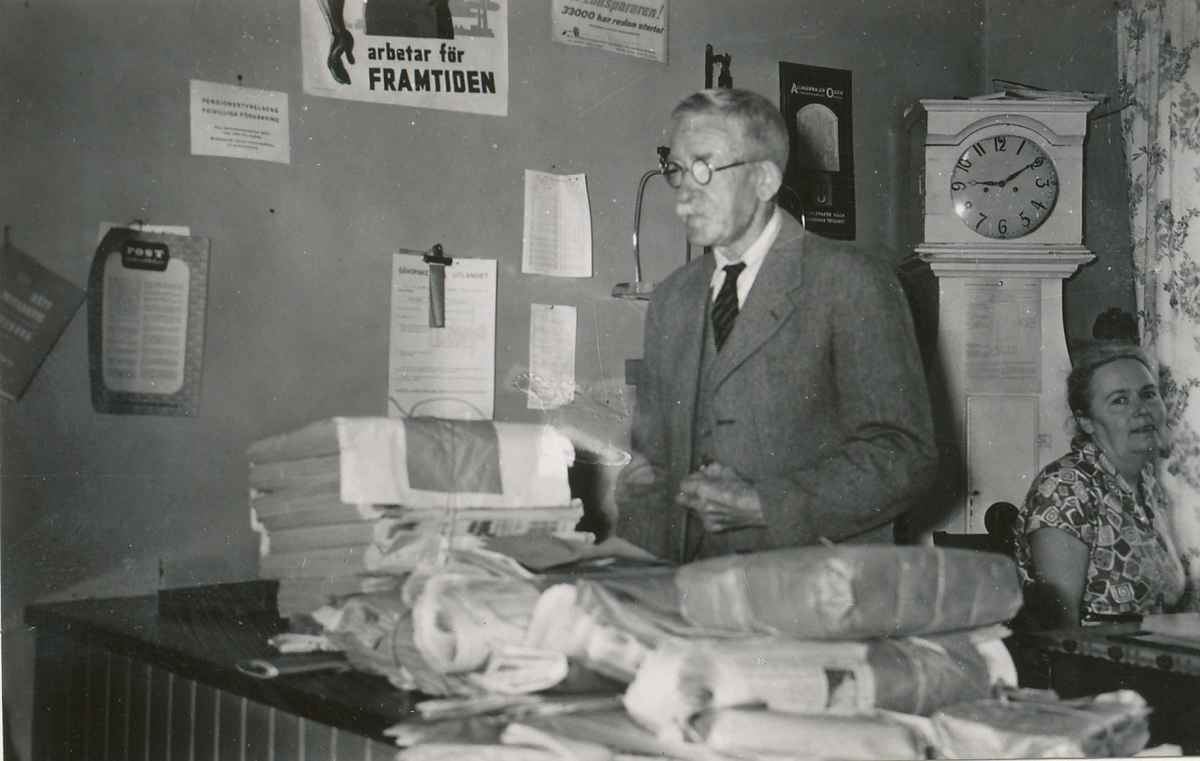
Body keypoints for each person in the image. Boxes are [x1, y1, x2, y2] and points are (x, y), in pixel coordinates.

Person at [614, 88, 937, 562]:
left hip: (814, 580)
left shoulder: (852, 280)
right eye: (677, 170)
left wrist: (764, 504)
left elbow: (903, 454)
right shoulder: (672, 299)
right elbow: (651, 464)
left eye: (704, 168)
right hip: (692, 584)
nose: (684, 196)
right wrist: (632, 574)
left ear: (764, 179)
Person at [1014, 341, 1187, 629]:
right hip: (1095, 657)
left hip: (1149, 654)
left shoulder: (1148, 486)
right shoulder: (1066, 488)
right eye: (1119, 400)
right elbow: (1059, 631)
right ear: (1086, 421)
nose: (1142, 409)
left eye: (1148, 394)